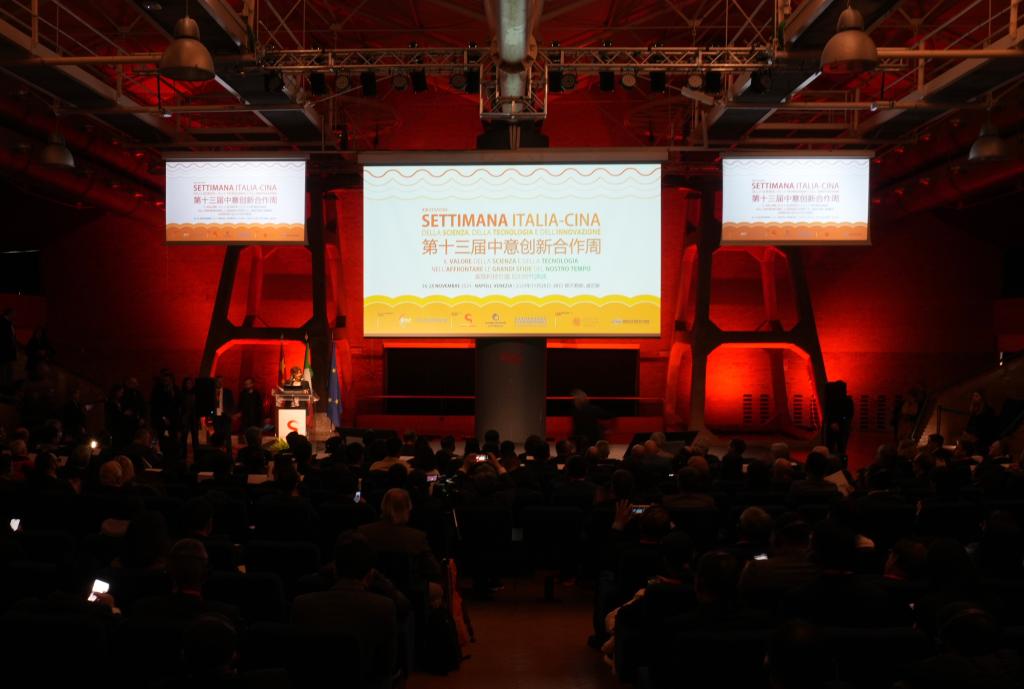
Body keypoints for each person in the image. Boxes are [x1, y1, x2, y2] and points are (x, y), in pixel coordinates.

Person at [291, 533, 398, 689]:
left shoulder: (300, 604)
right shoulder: (384, 607)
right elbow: (387, 666)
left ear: (334, 570)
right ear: (369, 575)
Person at [210, 377, 234, 458]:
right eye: (218, 381)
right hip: (216, 417)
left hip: (225, 417)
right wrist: (211, 414)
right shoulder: (212, 392)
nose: (220, 383)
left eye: (221, 381)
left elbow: (232, 404)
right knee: (218, 437)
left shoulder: (228, 392)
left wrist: (230, 414)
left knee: (227, 437)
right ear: (215, 382)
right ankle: (219, 455)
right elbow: (210, 404)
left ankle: (229, 456)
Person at [0, 308, 16, 388]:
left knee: (7, 368)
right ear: (9, 314)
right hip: (5, 350)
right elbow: (7, 338)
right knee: (5, 368)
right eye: (13, 314)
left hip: (7, 350)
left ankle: (7, 385)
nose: (14, 316)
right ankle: (4, 386)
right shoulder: (3, 323)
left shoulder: (8, 323)